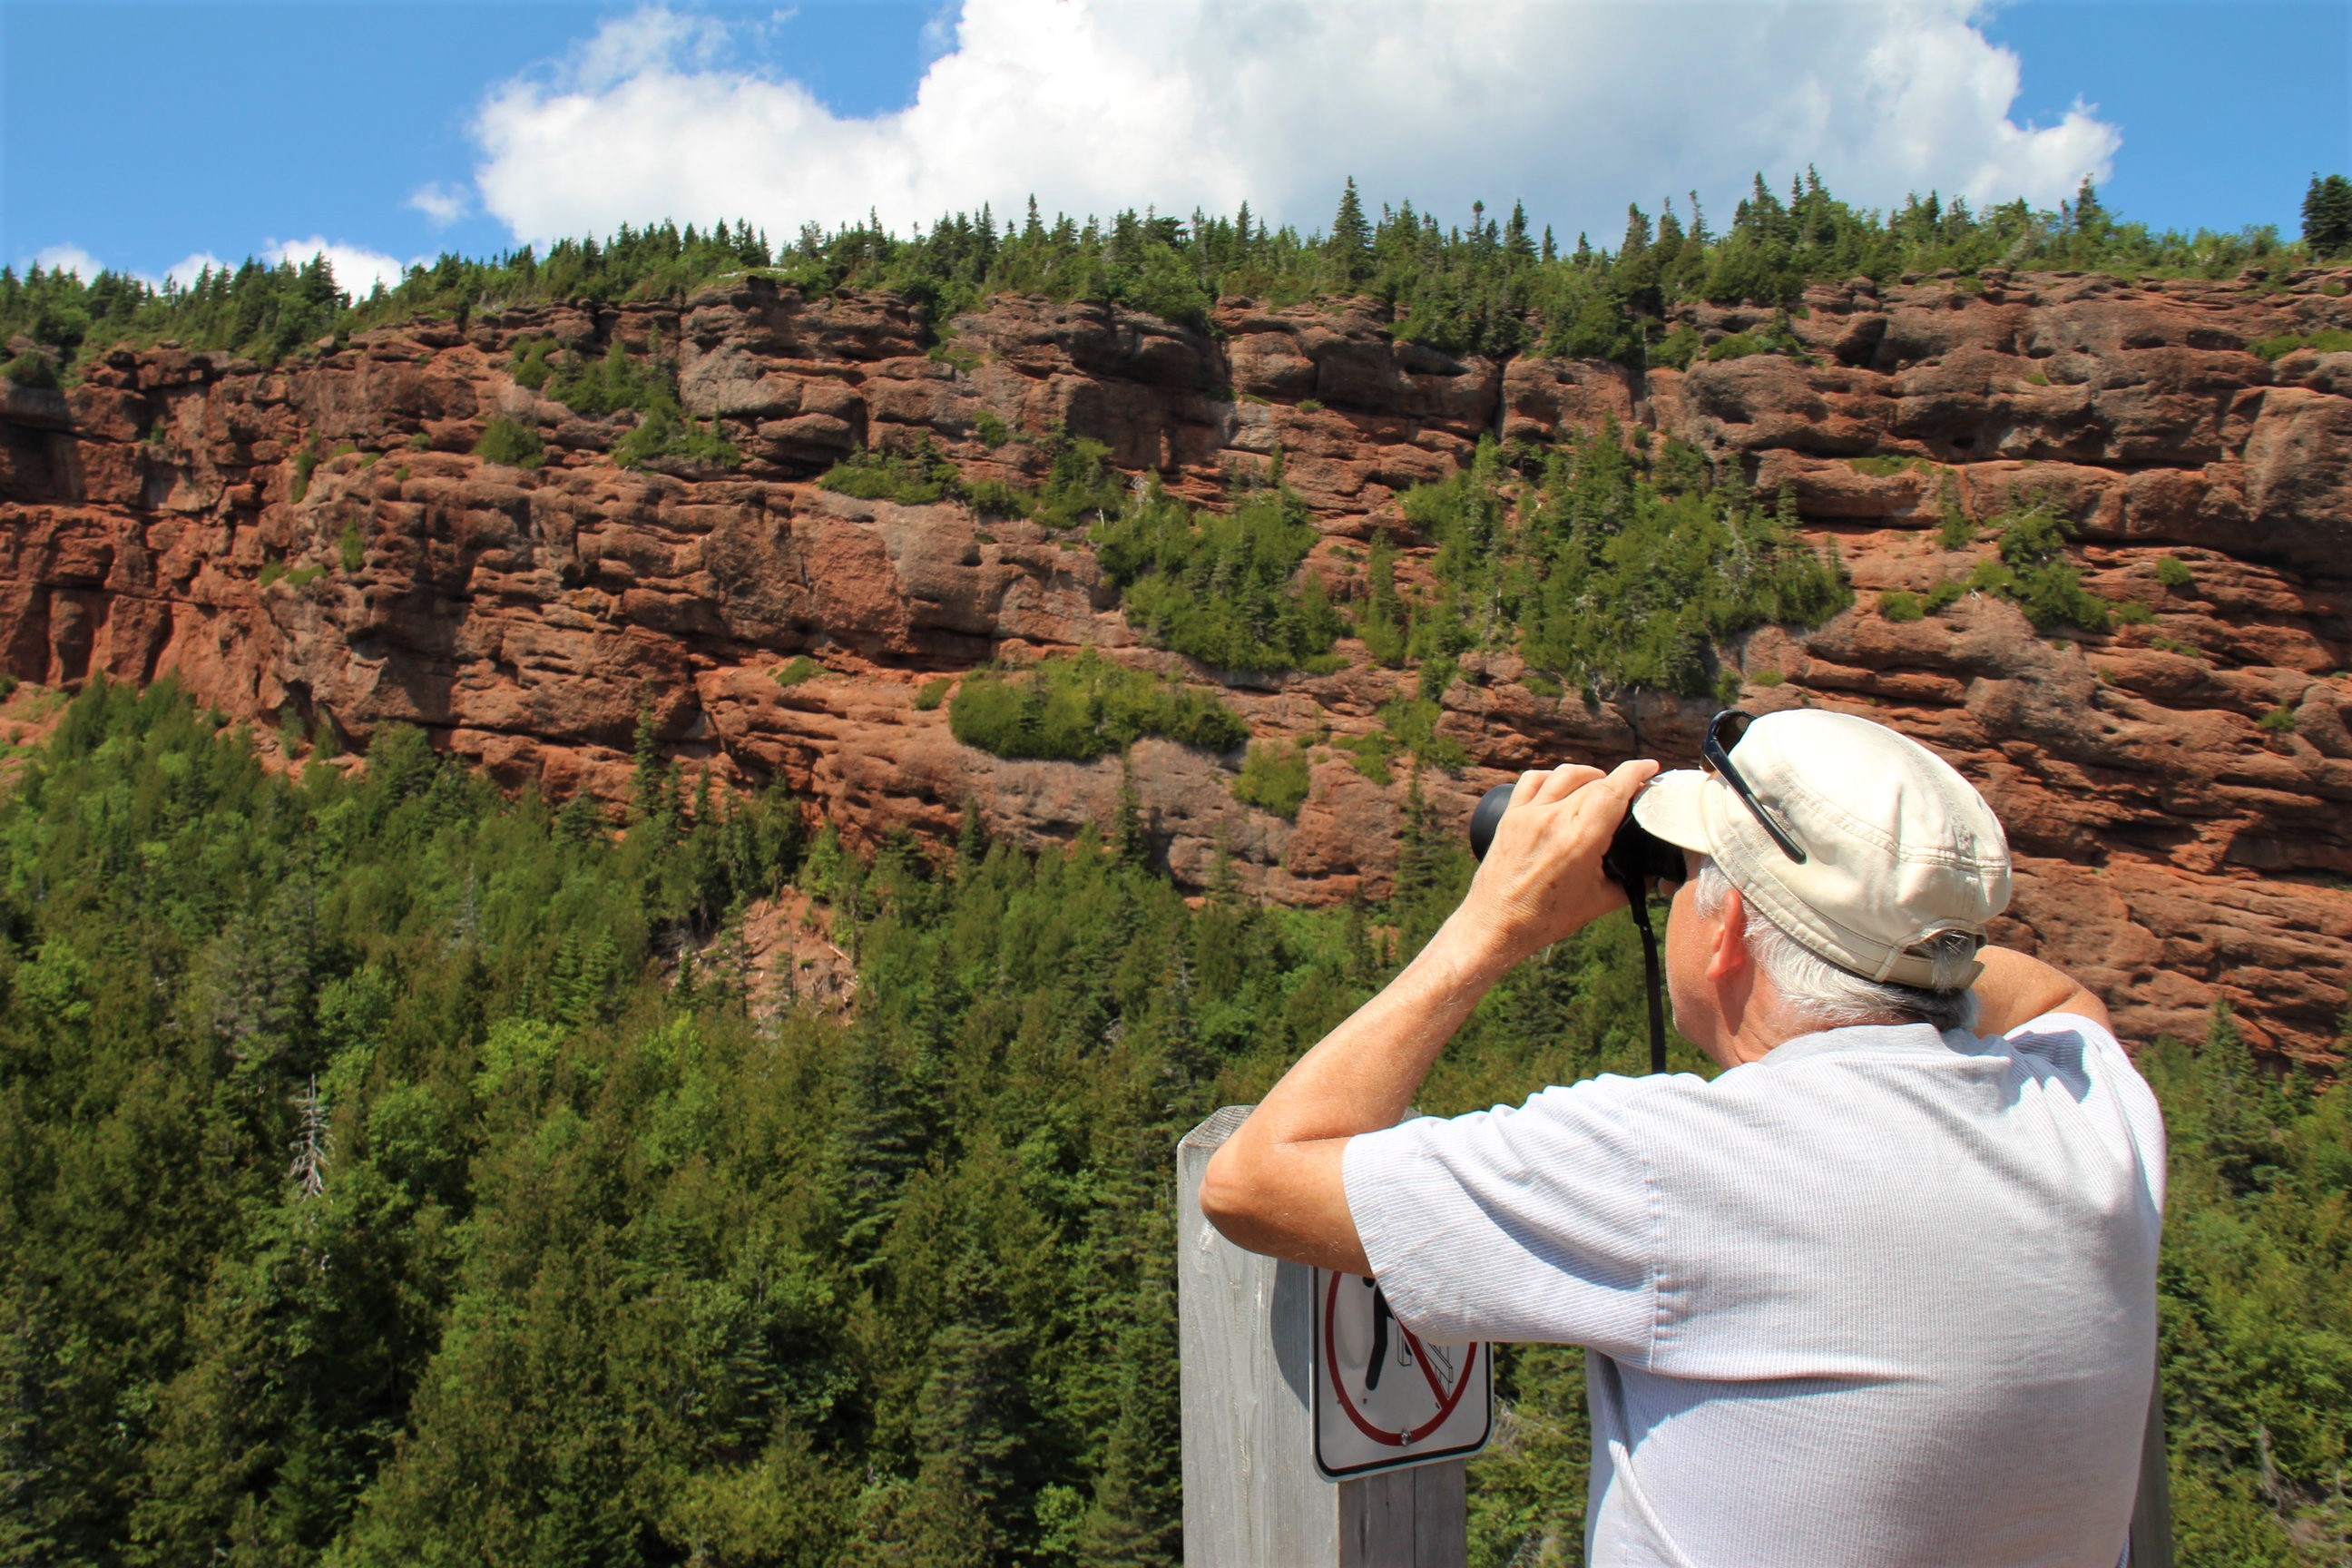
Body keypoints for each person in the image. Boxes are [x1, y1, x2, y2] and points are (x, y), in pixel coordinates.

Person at [1200, 710, 2164, 1568]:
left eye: (1691, 875)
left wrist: (1493, 923)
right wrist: (1894, 945)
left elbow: (1254, 1182)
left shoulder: (1673, 1165)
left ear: (1729, 927)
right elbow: (2061, 998)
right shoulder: (2088, 1120)